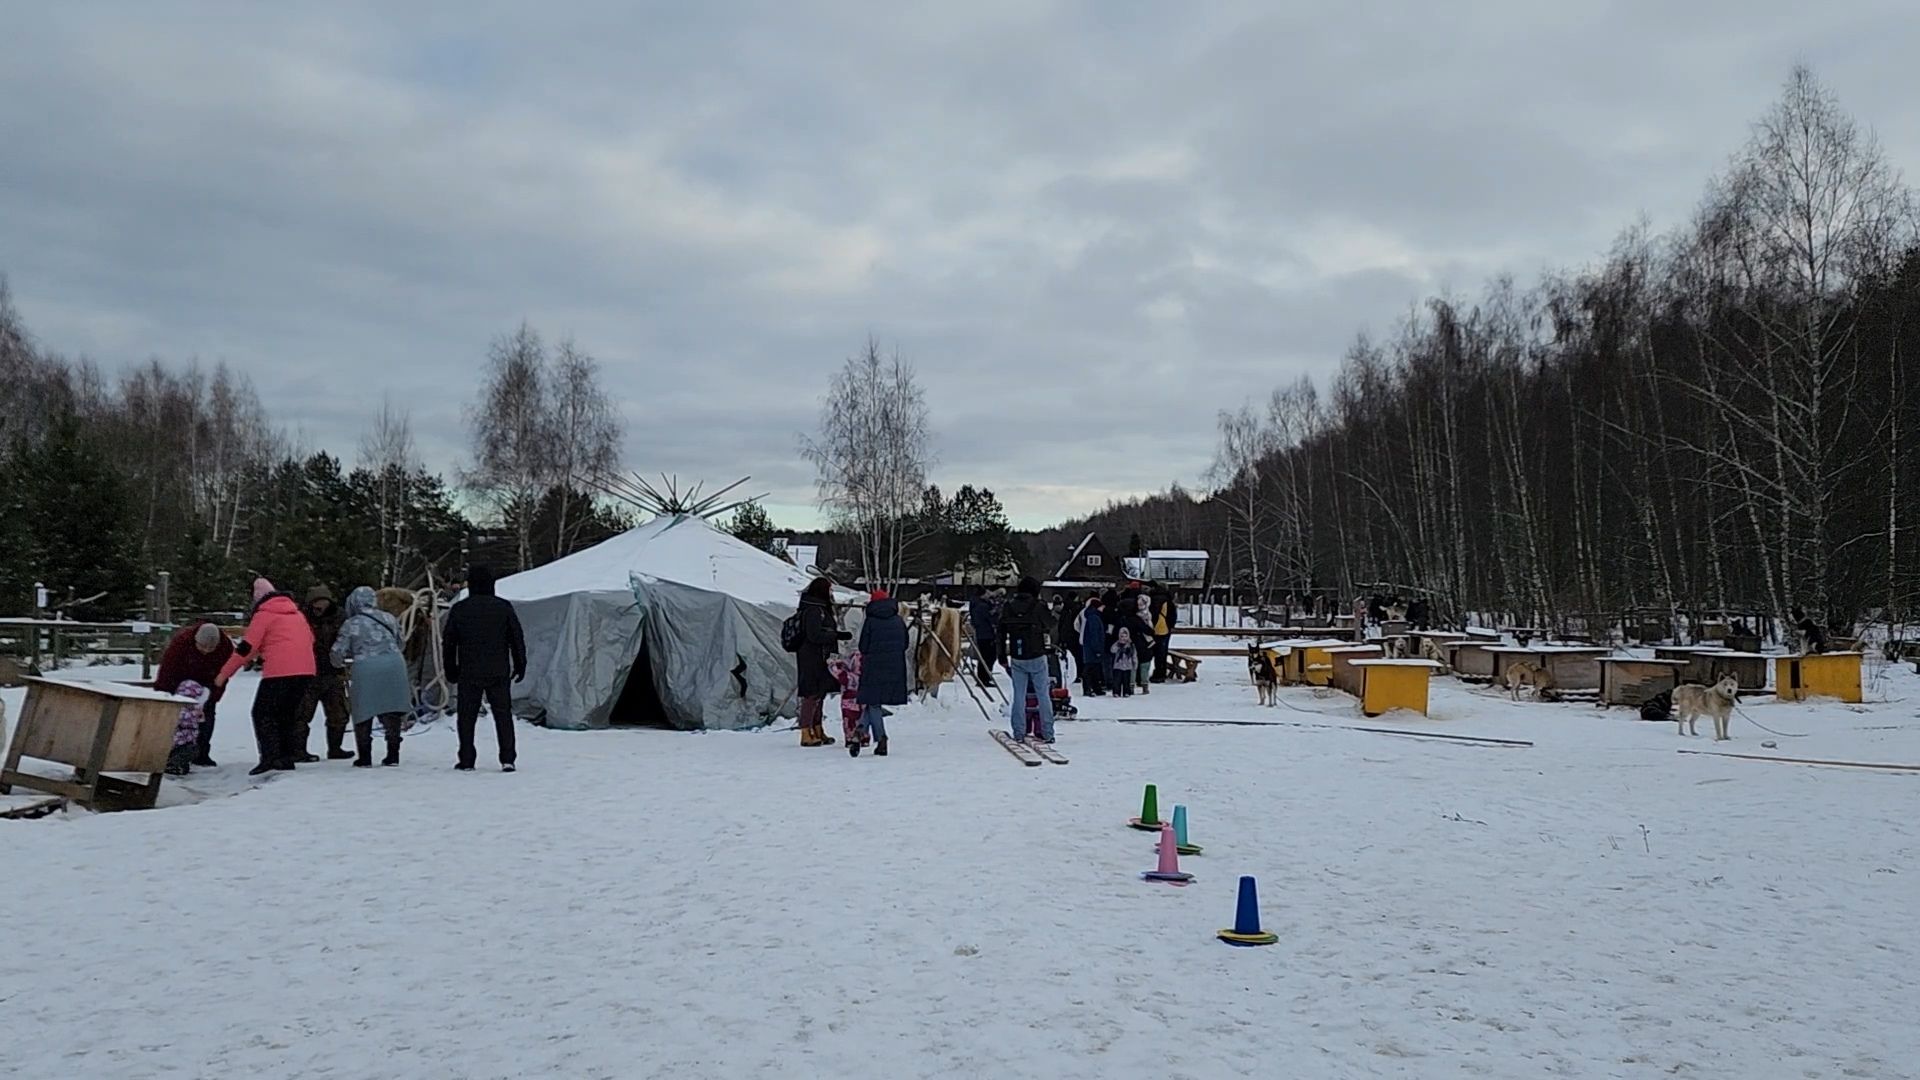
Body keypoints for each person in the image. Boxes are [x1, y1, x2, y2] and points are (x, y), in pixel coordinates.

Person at [216, 578, 317, 776]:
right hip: (306, 671)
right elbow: (310, 639)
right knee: (286, 715)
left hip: (280, 671)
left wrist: (223, 674)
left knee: (263, 714)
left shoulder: (264, 615)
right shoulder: (297, 614)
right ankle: (286, 757)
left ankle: (270, 758)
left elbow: (246, 648)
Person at [441, 564, 526, 772]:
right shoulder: (503, 607)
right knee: (503, 715)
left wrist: (450, 669)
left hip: (469, 671)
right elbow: (516, 638)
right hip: (498, 669)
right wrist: (520, 663)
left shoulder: (460, 609)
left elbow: (449, 642)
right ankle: (508, 758)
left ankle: (467, 758)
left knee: (466, 717)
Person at [330, 586, 413, 767]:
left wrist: (339, 663)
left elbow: (337, 652)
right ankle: (393, 754)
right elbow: (401, 643)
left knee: (363, 711)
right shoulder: (389, 618)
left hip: (366, 667)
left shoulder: (352, 624)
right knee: (391, 710)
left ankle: (365, 756)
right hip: (394, 665)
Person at [154, 621, 233, 768]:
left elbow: (223, 675)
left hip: (207, 684)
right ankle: (174, 752)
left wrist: (213, 697)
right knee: (180, 718)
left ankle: (201, 753)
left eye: (211, 648)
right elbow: (167, 669)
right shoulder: (181, 642)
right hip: (181, 684)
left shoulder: (226, 647)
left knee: (207, 715)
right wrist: (163, 695)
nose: (206, 651)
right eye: (202, 647)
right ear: (195, 640)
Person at [293, 585, 352, 762]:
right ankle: (299, 750)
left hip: (333, 672)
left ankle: (335, 748)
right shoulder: (301, 617)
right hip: (308, 672)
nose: (321, 606)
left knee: (339, 713)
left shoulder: (340, 616)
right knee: (302, 714)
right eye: (317, 602)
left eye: (324, 602)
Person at [852, 589, 908, 757]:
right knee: (872, 703)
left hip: (873, 666)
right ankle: (860, 732)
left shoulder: (870, 621)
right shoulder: (898, 620)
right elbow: (905, 643)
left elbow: (863, 646)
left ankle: (880, 738)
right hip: (895, 666)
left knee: (873, 701)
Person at [999, 577, 1055, 742]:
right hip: (1037, 654)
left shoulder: (1008, 606)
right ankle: (1047, 732)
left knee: (1019, 695)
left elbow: (1001, 632)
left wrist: (1002, 656)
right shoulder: (1038, 606)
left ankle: (1019, 732)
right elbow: (1051, 623)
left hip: (1017, 655)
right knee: (1043, 695)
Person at [794, 577, 846, 747]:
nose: (831, 593)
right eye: (829, 590)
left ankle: (817, 728)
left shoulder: (818, 608)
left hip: (821, 657)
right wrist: (835, 635)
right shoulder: (814, 611)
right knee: (811, 694)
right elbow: (814, 635)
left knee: (820, 693)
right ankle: (805, 731)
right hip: (813, 657)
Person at [968, 587, 1001, 683]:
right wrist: (995, 613)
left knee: (984, 656)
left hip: (981, 633)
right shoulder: (983, 606)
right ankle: (984, 677)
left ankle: (984, 676)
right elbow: (991, 618)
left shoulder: (976, 604)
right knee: (988, 656)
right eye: (987, 593)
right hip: (987, 634)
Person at [1078, 596, 1107, 696]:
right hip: (1092, 648)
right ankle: (1089, 689)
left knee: (1093, 669)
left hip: (1089, 647)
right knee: (1090, 669)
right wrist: (1097, 649)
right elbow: (1095, 635)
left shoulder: (1090, 616)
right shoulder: (1094, 618)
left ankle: (1095, 688)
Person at [1053, 593, 1079, 682]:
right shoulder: (1074, 609)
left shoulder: (1065, 610)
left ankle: (1067, 672)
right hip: (1072, 636)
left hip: (1064, 636)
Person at [1110, 628, 1139, 697]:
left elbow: (1134, 655)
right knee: (1117, 680)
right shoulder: (1117, 644)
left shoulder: (1131, 646)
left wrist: (1135, 664)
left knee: (1126, 681)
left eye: (1125, 636)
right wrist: (1117, 644)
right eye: (1122, 636)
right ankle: (1116, 692)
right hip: (1118, 666)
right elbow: (1112, 650)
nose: (1123, 638)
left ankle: (1126, 692)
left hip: (1127, 666)